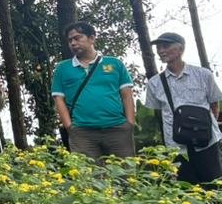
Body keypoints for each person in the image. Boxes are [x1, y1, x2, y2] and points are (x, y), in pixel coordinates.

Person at [144, 32, 222, 184]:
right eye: (158, 47)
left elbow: (214, 105)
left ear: (180, 49)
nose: (161, 51)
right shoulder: (154, 83)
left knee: (215, 186)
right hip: (176, 147)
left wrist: (202, 129)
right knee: (185, 189)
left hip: (207, 142)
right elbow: (158, 114)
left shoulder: (203, 75)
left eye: (165, 46)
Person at [51, 21, 136, 160]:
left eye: (77, 38)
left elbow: (127, 95)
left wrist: (129, 123)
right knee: (88, 178)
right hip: (82, 133)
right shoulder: (62, 68)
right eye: (70, 40)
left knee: (125, 177)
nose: (73, 43)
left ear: (92, 38)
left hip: (117, 129)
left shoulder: (115, 64)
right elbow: (58, 99)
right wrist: (69, 127)